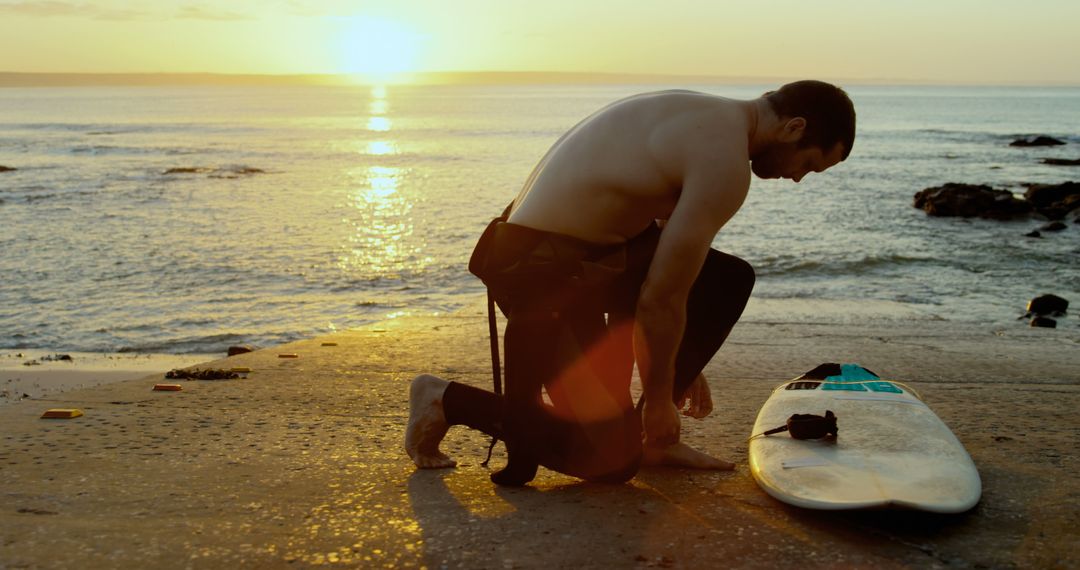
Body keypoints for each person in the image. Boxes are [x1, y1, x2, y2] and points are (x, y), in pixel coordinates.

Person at [406, 80, 856, 486]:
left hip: (584, 264)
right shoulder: (724, 162)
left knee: (726, 277)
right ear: (795, 128)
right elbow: (661, 298)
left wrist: (681, 358)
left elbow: (661, 255)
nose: (797, 177)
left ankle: (651, 439)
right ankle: (444, 399)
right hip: (539, 277)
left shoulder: (703, 114)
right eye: (809, 165)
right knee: (610, 461)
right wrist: (660, 395)